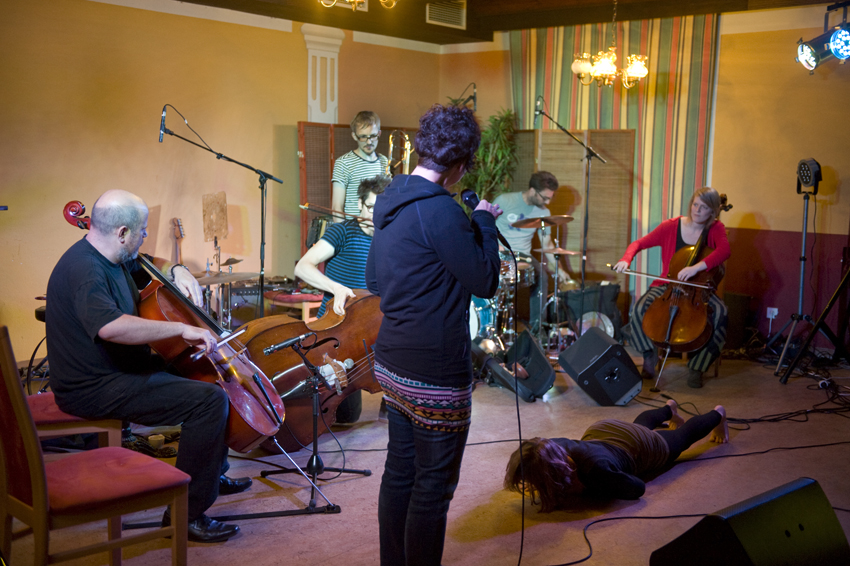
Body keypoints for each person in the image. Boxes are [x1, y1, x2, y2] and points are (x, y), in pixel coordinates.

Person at [46, 190, 250, 543]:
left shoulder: (114, 255)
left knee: (209, 378)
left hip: (121, 369)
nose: (144, 236)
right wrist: (180, 329)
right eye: (142, 230)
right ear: (122, 232)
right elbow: (111, 327)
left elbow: (151, 261)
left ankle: (209, 474)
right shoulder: (85, 269)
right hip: (94, 386)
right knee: (208, 402)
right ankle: (186, 515)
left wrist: (179, 270)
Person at [366, 104, 502, 566]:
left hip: (391, 363)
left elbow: (374, 280)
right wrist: (483, 220)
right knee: (432, 487)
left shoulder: (391, 199)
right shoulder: (442, 211)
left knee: (400, 470)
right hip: (434, 372)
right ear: (460, 164)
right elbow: (485, 280)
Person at [504, 400, 729, 512]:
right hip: (601, 431)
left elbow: (637, 488)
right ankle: (669, 408)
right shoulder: (548, 447)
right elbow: (536, 459)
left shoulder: (596, 471)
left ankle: (718, 414)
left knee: (682, 437)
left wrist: (587, 490)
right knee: (638, 427)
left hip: (635, 448)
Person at [613, 186, 731, 388]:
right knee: (639, 309)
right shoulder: (671, 226)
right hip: (667, 285)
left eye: (703, 207)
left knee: (721, 314)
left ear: (713, 211)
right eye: (695, 204)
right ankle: (649, 355)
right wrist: (626, 259)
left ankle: (698, 366)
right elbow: (639, 243)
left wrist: (696, 268)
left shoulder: (716, 228)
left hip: (699, 289)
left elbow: (724, 251)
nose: (697, 210)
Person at [294, 174, 389, 423]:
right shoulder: (342, 231)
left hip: (372, 335)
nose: (375, 215)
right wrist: (335, 287)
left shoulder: (390, 240)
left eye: (382, 209)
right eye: (370, 207)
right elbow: (303, 267)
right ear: (359, 204)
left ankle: (392, 398)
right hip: (338, 333)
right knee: (346, 416)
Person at [493, 171, 574, 337]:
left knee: (542, 276)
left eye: (550, 198)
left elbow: (547, 244)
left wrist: (559, 269)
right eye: (545, 198)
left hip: (523, 255)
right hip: (499, 252)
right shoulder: (505, 201)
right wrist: (497, 247)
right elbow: (484, 226)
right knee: (499, 283)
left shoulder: (544, 213)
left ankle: (537, 331)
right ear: (532, 191)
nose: (548, 202)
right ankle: (495, 329)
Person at [332, 111, 390, 217]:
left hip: (378, 225)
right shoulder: (343, 163)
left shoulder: (384, 161)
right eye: (363, 136)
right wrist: (343, 228)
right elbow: (336, 208)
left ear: (379, 134)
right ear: (354, 136)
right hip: (352, 226)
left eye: (373, 136)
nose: (369, 142)